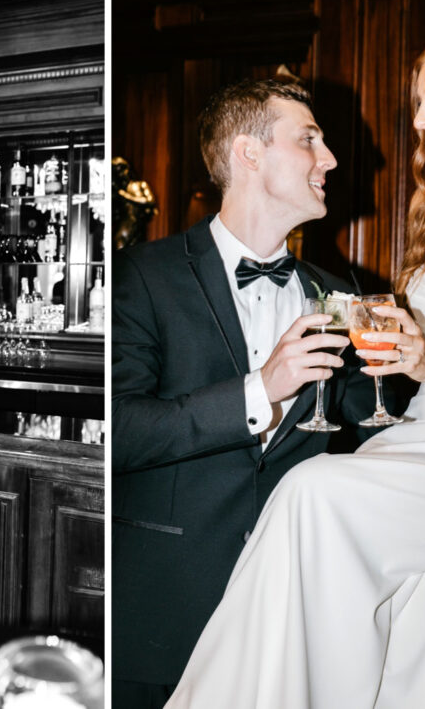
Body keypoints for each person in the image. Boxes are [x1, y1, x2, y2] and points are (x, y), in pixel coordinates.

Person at [164, 23, 425, 709]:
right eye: (418, 102)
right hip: (416, 442)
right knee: (313, 500)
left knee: (314, 492)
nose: (420, 120)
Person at [112, 76, 384, 708]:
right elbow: (121, 430)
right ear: (249, 153)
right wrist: (258, 390)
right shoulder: (143, 275)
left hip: (293, 620)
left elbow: (370, 435)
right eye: (309, 139)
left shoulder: (338, 290)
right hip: (164, 618)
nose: (331, 159)